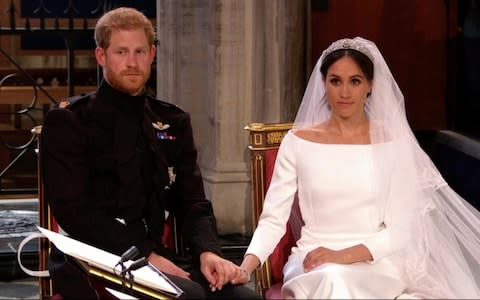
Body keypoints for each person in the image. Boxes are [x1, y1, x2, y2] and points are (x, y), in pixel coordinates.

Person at [231, 37, 480, 298]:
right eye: (335, 81)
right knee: (332, 278)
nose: (345, 93)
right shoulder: (298, 143)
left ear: (370, 85)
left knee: (338, 279)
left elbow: (401, 231)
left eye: (355, 81)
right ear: (324, 84)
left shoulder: (393, 143)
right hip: (313, 261)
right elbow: (273, 219)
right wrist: (246, 268)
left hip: (377, 262)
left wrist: (343, 256)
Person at [41, 7, 260, 300]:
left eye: (140, 52)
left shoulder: (172, 120)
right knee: (188, 296)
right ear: (101, 56)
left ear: (152, 54)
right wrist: (144, 254)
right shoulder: (70, 121)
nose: (132, 62)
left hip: (160, 257)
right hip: (94, 260)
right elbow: (75, 214)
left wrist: (209, 252)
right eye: (121, 52)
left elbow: (192, 200)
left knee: (245, 298)